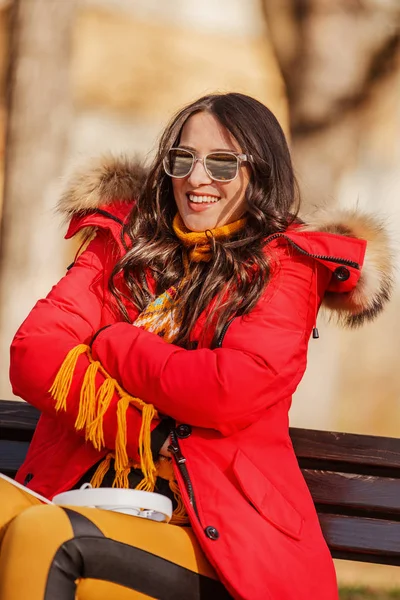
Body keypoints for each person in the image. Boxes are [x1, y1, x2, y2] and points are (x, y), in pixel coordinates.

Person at [0, 92, 393, 600]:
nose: (196, 177)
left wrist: (113, 342)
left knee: (49, 537)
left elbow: (225, 390)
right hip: (85, 495)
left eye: (223, 163)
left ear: (261, 173)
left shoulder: (286, 266)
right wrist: (147, 431)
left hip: (214, 539)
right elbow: (33, 354)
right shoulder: (124, 241)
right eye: (181, 159)